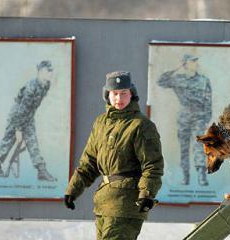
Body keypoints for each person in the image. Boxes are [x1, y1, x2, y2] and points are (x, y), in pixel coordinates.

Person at [64, 71, 164, 240]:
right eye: (115, 94)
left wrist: (147, 194)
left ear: (131, 94)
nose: (119, 98)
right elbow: (89, 162)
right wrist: (73, 190)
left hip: (126, 202)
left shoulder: (141, 125)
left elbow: (153, 165)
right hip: (104, 201)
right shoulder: (101, 123)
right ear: (107, 95)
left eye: (124, 93)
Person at [0, 60, 56, 181]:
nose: (51, 74)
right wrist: (18, 129)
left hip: (28, 116)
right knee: (8, 141)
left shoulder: (46, 85)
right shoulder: (31, 87)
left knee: (33, 143)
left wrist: (27, 122)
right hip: (17, 116)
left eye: (51, 71)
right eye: (48, 71)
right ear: (41, 72)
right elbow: (22, 109)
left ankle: (41, 171)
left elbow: (31, 108)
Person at [157, 54, 212, 186]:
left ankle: (201, 175)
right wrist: (177, 68)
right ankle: (185, 176)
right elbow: (161, 81)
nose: (196, 64)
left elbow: (208, 101)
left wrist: (206, 119)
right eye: (193, 62)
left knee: (199, 146)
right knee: (184, 147)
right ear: (185, 64)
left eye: (196, 61)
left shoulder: (204, 80)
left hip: (199, 117)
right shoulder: (177, 79)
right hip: (184, 117)